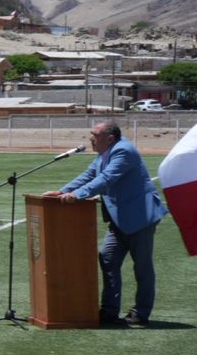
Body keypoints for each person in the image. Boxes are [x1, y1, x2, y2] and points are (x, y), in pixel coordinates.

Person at [43, 121, 169, 326]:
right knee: (108, 258)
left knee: (142, 267)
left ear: (110, 138)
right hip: (119, 220)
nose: (91, 139)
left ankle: (141, 312)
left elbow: (106, 179)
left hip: (140, 217)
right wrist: (63, 190)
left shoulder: (124, 151)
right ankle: (109, 311)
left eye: (94, 135)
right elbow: (90, 175)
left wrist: (78, 195)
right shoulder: (104, 152)